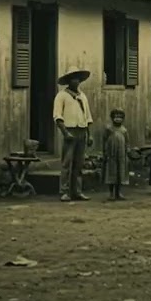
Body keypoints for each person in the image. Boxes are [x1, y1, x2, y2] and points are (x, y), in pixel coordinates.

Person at [52, 66, 93, 202]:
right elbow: (57, 117)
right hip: (70, 131)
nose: (76, 81)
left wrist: (89, 134)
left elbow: (88, 117)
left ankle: (77, 191)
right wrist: (65, 132)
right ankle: (64, 191)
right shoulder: (62, 96)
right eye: (73, 79)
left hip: (82, 131)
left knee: (79, 163)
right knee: (67, 163)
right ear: (68, 81)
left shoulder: (83, 96)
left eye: (78, 79)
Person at [102, 109, 130, 201]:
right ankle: (111, 193)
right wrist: (105, 152)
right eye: (116, 117)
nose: (118, 119)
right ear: (112, 118)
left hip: (121, 155)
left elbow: (127, 142)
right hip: (111, 155)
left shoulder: (124, 130)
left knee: (120, 173)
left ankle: (119, 193)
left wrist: (127, 151)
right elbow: (105, 140)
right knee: (111, 172)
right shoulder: (109, 129)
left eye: (120, 117)